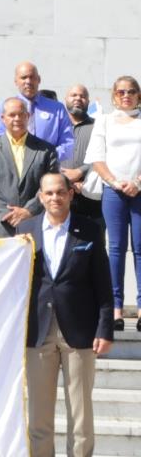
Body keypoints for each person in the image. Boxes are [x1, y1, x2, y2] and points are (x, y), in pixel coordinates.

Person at [17, 172, 113, 457]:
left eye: (60, 192)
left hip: (80, 333)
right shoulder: (26, 230)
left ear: (71, 194)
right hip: (38, 332)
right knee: (38, 418)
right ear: (40, 197)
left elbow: (103, 284)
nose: (55, 198)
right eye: (49, 193)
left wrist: (105, 328)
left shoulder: (91, 229)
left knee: (81, 418)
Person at [84, 76, 141, 331]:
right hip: (113, 191)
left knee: (140, 249)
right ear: (113, 95)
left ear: (139, 95)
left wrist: (137, 182)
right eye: (120, 92)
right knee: (115, 248)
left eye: (131, 92)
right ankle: (115, 308)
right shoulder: (104, 120)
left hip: (139, 190)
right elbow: (97, 158)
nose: (125, 96)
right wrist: (115, 181)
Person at [0, 98, 60, 238]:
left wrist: (28, 211)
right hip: (2, 224)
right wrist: (7, 214)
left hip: (35, 222)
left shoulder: (46, 150)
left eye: (21, 114)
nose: (17, 118)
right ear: (3, 118)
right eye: (12, 115)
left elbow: (49, 185)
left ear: (28, 117)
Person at [0, 62, 74, 162]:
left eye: (32, 77)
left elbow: (68, 142)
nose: (28, 81)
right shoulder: (3, 108)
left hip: (48, 169)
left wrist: (48, 158)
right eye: (23, 77)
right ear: (16, 81)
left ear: (39, 79)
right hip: (14, 167)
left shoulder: (57, 109)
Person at [62, 84, 102, 226]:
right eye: (74, 95)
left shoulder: (99, 126)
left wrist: (80, 172)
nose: (78, 98)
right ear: (65, 99)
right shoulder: (57, 126)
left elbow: (104, 156)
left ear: (88, 101)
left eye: (83, 96)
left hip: (90, 194)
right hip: (60, 195)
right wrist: (65, 180)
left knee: (94, 243)